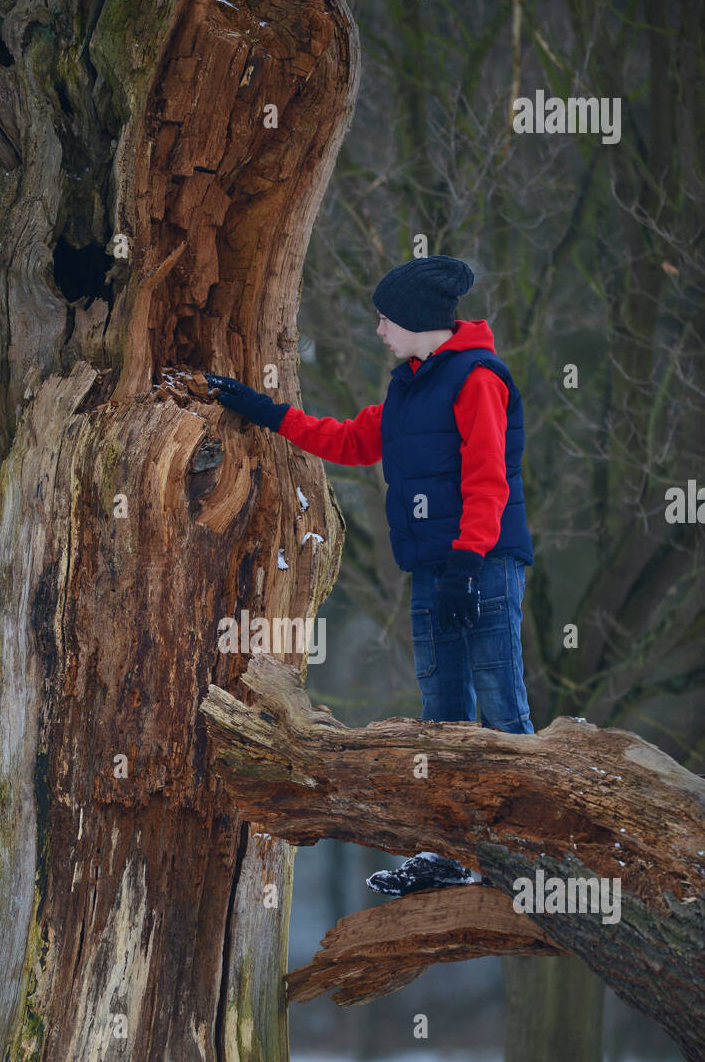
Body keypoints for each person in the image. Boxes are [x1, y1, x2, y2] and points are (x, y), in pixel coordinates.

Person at [206, 254, 535, 893]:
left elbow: (488, 478)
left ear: (415, 321)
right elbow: (352, 440)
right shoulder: (409, 384)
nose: (379, 332)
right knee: (442, 714)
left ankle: (523, 856)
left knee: (499, 704)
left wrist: (469, 562)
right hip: (431, 566)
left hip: (484, 563)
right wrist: (265, 412)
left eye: (386, 321)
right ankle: (454, 853)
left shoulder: (479, 379)